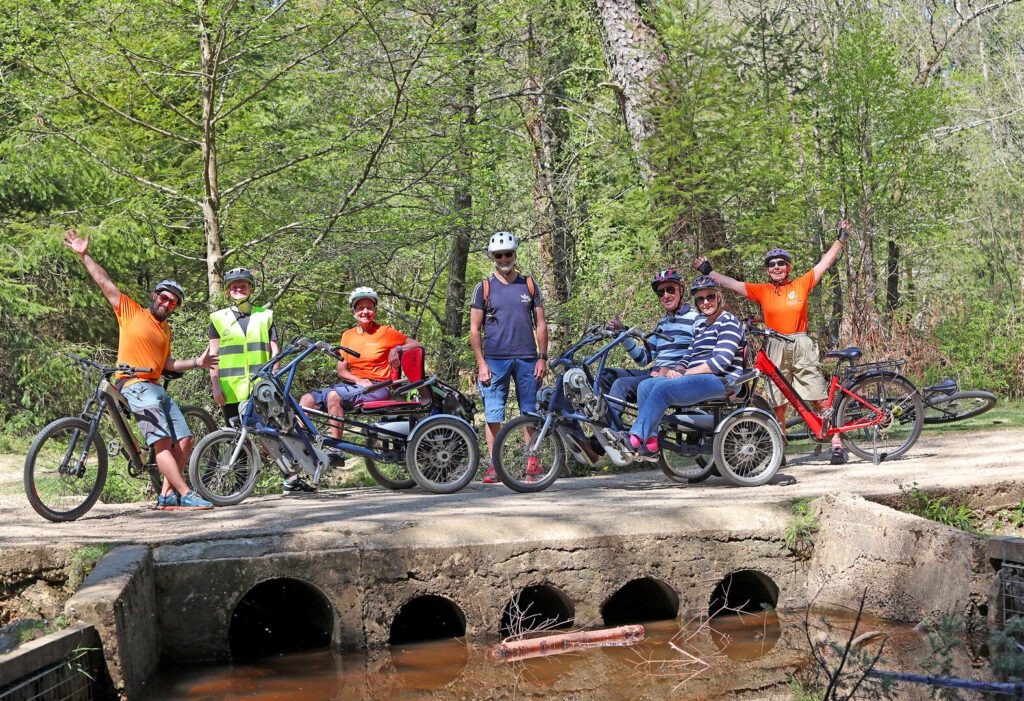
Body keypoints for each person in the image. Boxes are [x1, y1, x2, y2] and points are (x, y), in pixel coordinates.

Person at [63, 228, 217, 511]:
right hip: (134, 384)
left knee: (186, 439)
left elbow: (167, 364)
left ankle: (168, 495)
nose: (167, 304)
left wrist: (197, 362)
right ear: (154, 295)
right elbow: (104, 281)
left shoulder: (166, 330)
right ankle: (186, 493)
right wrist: (84, 255)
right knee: (163, 441)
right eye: (163, 297)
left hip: (157, 387)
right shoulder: (130, 311)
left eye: (173, 302)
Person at [695, 220, 851, 464]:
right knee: (778, 399)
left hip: (800, 344)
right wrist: (708, 271)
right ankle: (781, 451)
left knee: (816, 394)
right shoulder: (763, 290)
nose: (776, 267)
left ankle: (836, 442)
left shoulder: (802, 283)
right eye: (771, 265)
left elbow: (825, 263)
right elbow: (733, 285)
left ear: (788, 267)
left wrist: (840, 239)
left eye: (781, 264)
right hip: (775, 344)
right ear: (768, 270)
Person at [298, 286, 422, 491]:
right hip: (354, 385)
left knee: (334, 397)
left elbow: (415, 344)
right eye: (360, 308)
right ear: (353, 311)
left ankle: (336, 451)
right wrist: (357, 380)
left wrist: (397, 348)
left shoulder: (386, 332)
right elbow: (341, 370)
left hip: (378, 386)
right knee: (305, 400)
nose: (365, 312)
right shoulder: (347, 336)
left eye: (369, 307)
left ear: (375, 310)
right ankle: (301, 454)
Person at [623, 276, 745, 457]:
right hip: (699, 378)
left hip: (722, 381)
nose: (705, 302)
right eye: (700, 299)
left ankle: (634, 439)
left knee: (663, 389)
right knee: (646, 385)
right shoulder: (702, 326)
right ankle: (651, 442)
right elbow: (688, 356)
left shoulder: (728, 321)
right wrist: (677, 370)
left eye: (710, 297)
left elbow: (720, 362)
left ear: (719, 297)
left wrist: (684, 373)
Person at [469, 231, 548, 483]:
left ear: (515, 254)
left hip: (527, 359)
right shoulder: (484, 287)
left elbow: (541, 323)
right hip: (494, 360)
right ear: (493, 257)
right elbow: (474, 328)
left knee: (530, 412)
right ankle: (495, 466)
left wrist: (542, 357)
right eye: (499, 255)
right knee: (493, 415)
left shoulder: (529, 284)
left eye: (508, 254)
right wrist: (481, 363)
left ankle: (532, 464)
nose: (504, 258)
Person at [599, 269, 700, 405]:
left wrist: (672, 371)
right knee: (605, 375)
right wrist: (623, 334)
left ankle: (610, 426)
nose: (666, 295)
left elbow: (701, 356)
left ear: (681, 290)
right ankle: (610, 421)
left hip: (674, 378)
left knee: (621, 385)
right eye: (661, 292)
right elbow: (644, 359)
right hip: (655, 372)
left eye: (670, 290)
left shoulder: (696, 319)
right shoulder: (662, 323)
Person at [208, 267, 280, 426]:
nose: (238, 289)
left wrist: (274, 380)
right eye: (234, 287)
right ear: (227, 291)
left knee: (269, 435)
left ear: (251, 289)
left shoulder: (265, 316)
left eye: (243, 286)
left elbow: (275, 352)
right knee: (236, 437)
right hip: (230, 390)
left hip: (261, 387)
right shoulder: (218, 318)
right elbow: (213, 356)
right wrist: (215, 386)